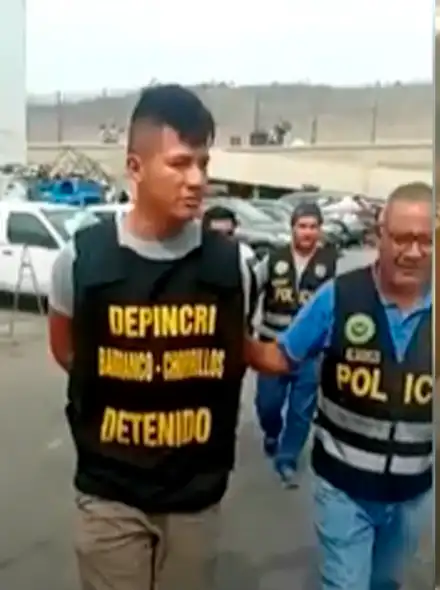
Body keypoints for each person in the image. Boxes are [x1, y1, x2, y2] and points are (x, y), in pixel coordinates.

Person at [46, 84, 260, 590]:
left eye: (203, 164)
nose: (198, 180)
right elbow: (67, 351)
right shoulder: (81, 261)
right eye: (180, 163)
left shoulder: (234, 266)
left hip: (195, 498)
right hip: (110, 495)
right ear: (135, 168)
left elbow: (236, 355)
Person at [252, 181, 433, 590]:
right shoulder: (338, 297)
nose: (414, 252)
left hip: (412, 495)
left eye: (426, 240)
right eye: (402, 238)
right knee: (347, 584)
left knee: (385, 583)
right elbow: (280, 356)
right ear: (379, 236)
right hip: (344, 490)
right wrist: (229, 340)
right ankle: (282, 453)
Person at [254, 202, 338, 487]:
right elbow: (251, 290)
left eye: (313, 226)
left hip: (310, 353)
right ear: (292, 229)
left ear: (320, 230)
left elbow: (338, 306)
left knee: (301, 411)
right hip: (272, 345)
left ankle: (287, 458)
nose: (308, 232)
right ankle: (272, 431)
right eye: (302, 226)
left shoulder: (331, 262)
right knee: (268, 404)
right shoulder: (273, 259)